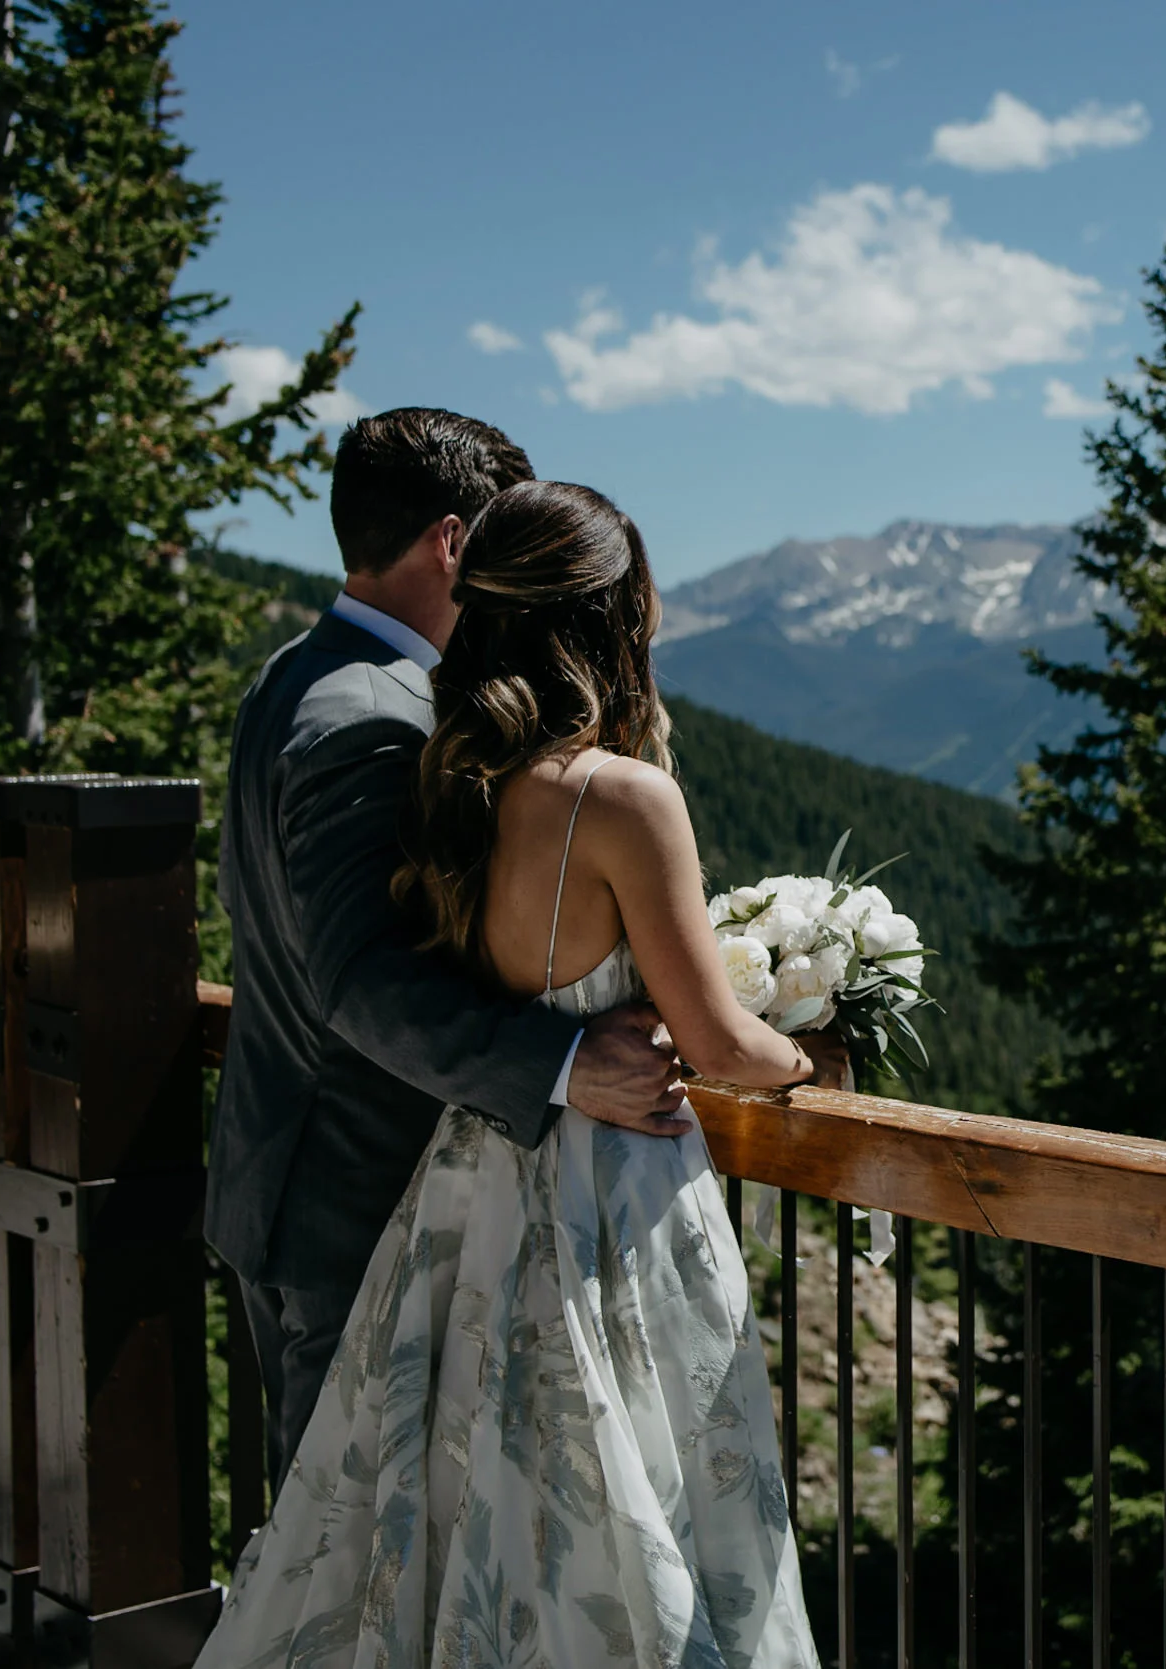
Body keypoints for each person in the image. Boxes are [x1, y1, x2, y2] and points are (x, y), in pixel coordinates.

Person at [199, 480, 829, 1666]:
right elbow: (722, 1046)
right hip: (608, 1198)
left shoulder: (458, 785)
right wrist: (816, 1047)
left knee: (466, 1514)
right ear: (609, 617)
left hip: (474, 1191)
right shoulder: (626, 797)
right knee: (632, 1506)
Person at [205, 410, 686, 1486]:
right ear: (454, 542)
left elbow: (253, 904)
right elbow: (359, 978)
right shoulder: (371, 717)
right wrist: (561, 1064)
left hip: (282, 1174)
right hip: (349, 1199)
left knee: (330, 1552)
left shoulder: (290, 674)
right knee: (347, 1561)